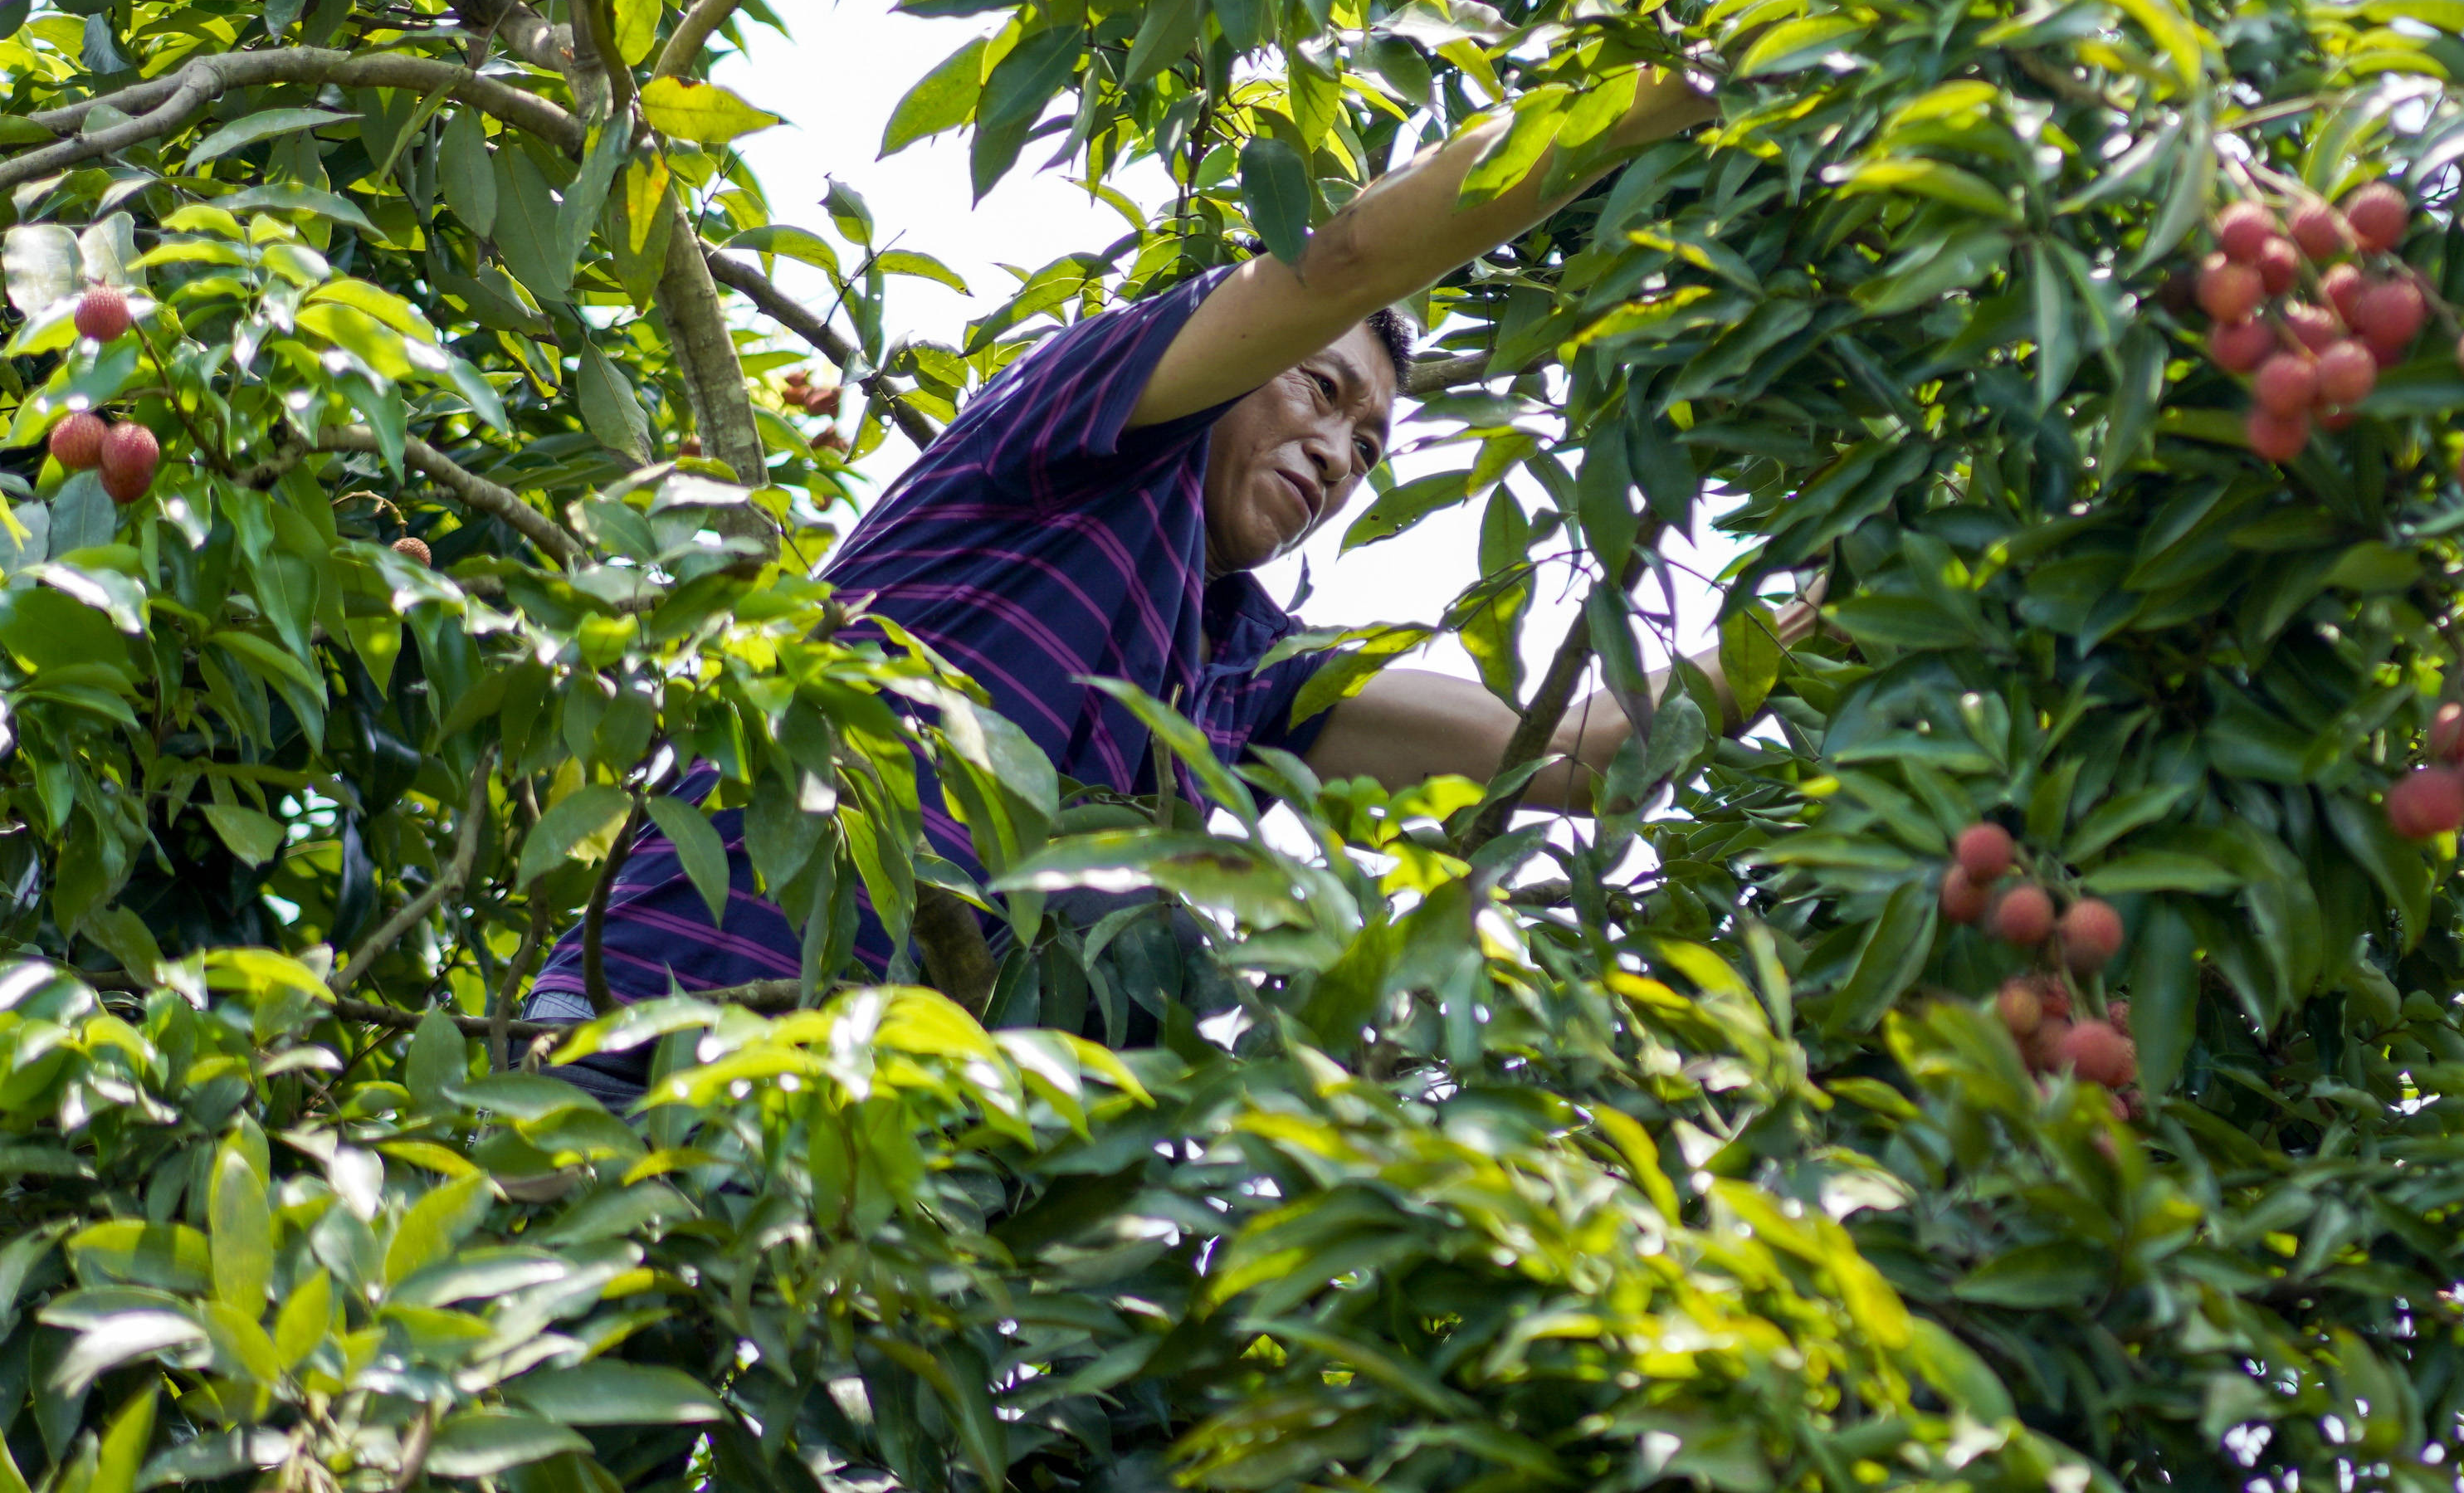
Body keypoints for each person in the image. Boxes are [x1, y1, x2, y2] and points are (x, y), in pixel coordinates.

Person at [528, 65, 1773, 1049]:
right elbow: (1347, 257)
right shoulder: (1084, 430)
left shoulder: (1243, 670)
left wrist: (1838, 606)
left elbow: (1578, 755)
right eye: (1320, 388)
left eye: (1370, 445)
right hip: (671, 998)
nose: (1339, 451)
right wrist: (1666, 87)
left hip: (873, 1155)